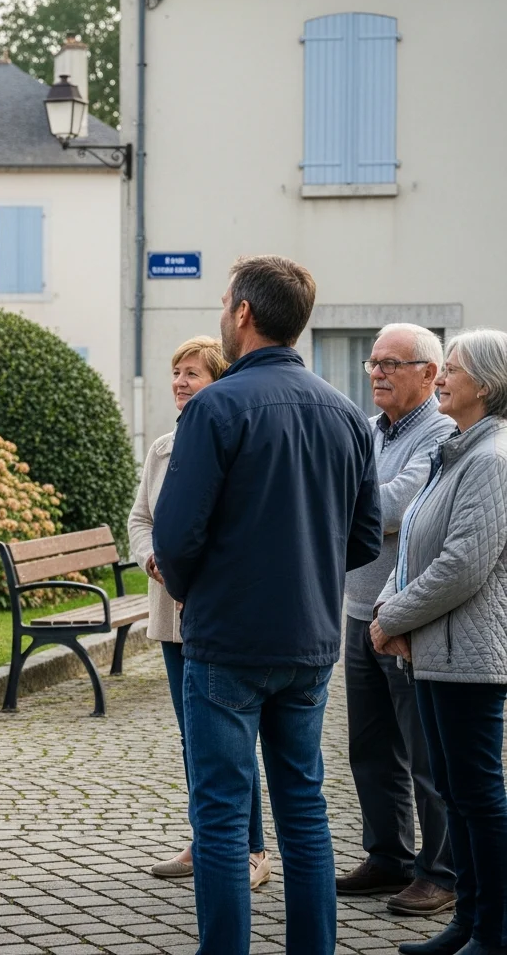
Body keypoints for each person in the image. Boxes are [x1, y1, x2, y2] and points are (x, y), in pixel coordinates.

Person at [152, 255, 383, 955]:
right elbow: (364, 535)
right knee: (305, 812)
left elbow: (176, 533)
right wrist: (303, 574)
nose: (223, 312)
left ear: (244, 314)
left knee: (221, 818)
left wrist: (198, 591)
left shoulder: (214, 407)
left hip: (227, 639)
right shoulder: (347, 413)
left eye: (226, 302)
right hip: (310, 639)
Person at [371, 329, 507, 955]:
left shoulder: (492, 458)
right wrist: (389, 609)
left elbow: (461, 565)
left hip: (470, 657)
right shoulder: (458, 450)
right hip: (435, 652)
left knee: (478, 796)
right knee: (457, 792)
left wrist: (391, 617)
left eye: (453, 368)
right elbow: (411, 548)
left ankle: (494, 931)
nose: (443, 376)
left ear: (487, 383)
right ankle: (467, 925)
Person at [129, 336, 270, 889]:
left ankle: (253, 850)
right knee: (194, 737)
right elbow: (141, 517)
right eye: (177, 372)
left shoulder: (233, 439)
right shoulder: (163, 447)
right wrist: (152, 558)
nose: (181, 382)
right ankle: (209, 838)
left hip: (217, 609)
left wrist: (193, 567)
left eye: (193, 373)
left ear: (221, 381)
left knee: (231, 739)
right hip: (171, 612)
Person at [338, 324, 456, 915]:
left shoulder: (442, 434)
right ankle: (388, 856)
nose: (377, 372)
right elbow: (366, 502)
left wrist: (341, 500)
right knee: (371, 748)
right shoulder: (367, 430)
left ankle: (439, 872)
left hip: (408, 619)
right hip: (358, 610)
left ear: (430, 374)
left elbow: (392, 507)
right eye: (372, 363)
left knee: (425, 753)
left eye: (392, 363)